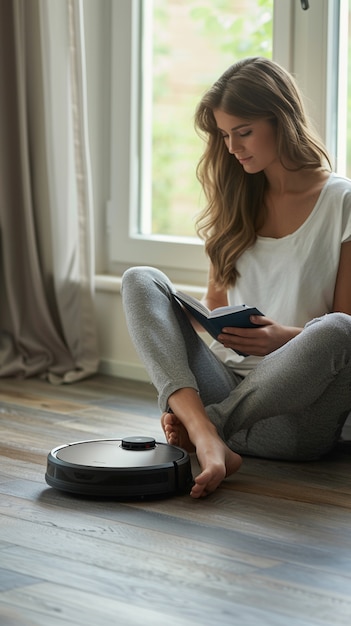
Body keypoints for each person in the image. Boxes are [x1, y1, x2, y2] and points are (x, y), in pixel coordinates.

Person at [121, 56, 351, 498]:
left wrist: (283, 337)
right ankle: (208, 434)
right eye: (225, 135)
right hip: (225, 384)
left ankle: (207, 430)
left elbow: (344, 331)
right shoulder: (236, 199)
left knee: (340, 329)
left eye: (243, 132)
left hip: (295, 419)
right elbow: (218, 308)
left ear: (281, 120)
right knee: (140, 278)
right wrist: (196, 319)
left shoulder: (342, 202)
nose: (232, 147)